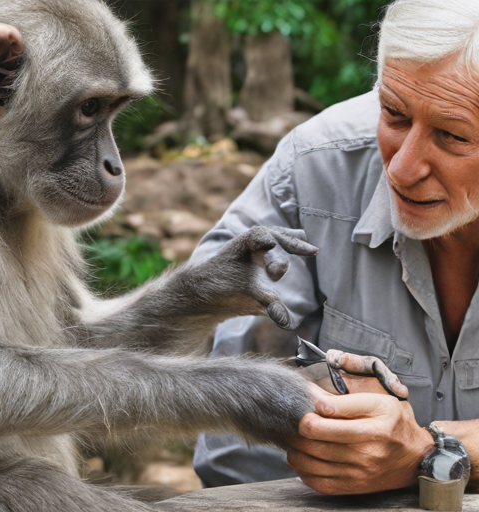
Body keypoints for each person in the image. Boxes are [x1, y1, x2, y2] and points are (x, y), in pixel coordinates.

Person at [190, 0, 479, 495]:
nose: (403, 170)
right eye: (394, 114)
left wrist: (431, 449)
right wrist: (310, 400)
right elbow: (224, 416)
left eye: (452, 136)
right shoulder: (313, 169)